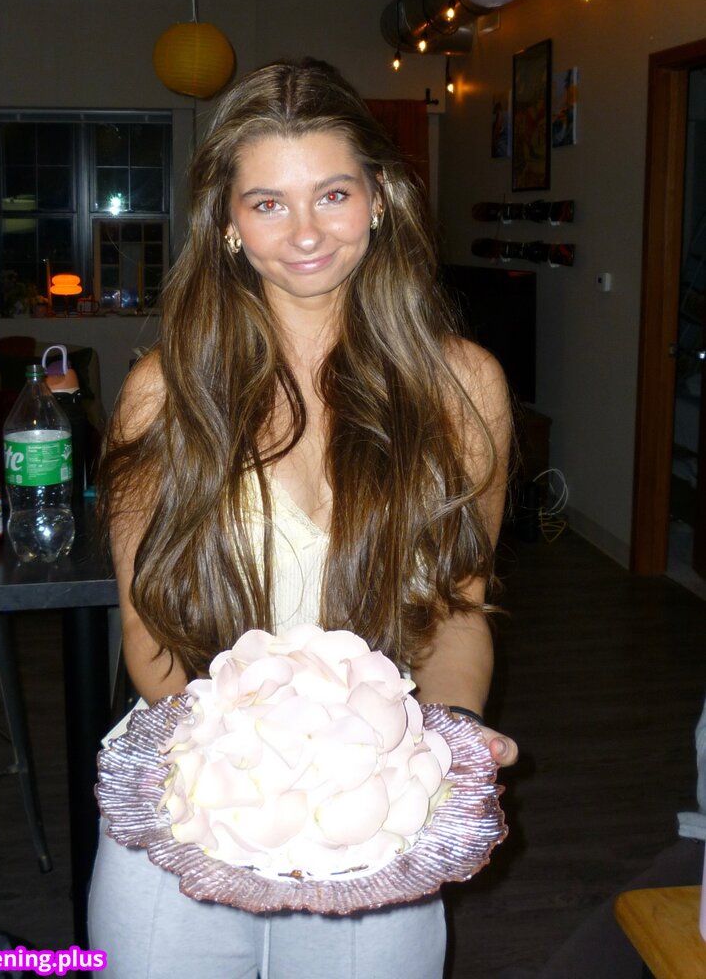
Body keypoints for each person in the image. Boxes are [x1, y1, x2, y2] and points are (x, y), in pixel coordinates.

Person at [88, 57, 518, 979]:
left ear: (380, 200)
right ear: (228, 223)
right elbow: (147, 626)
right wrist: (248, 776)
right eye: (268, 203)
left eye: (332, 193)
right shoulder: (163, 394)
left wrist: (449, 730)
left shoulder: (464, 388)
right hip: (191, 791)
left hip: (376, 804)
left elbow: (457, 610)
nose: (307, 232)